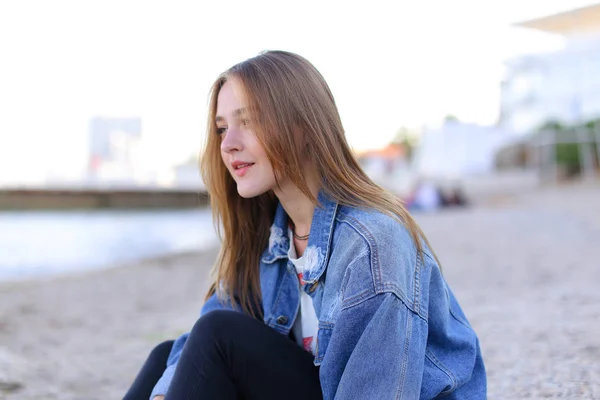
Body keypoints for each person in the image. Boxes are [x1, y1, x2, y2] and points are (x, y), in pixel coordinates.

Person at [124, 50, 486, 400]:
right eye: (222, 128)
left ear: (305, 126)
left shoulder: (372, 245)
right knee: (166, 357)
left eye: (247, 121)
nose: (228, 144)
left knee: (217, 335)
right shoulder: (270, 238)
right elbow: (208, 328)